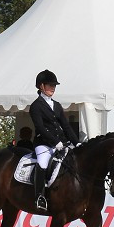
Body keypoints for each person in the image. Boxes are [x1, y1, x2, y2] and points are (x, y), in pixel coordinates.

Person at [29, 69, 77, 211]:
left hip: (61, 142)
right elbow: (41, 128)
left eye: (54, 85)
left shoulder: (56, 105)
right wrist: (54, 142)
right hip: (43, 143)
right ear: (41, 86)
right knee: (43, 163)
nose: (53, 88)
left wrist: (77, 142)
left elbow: (66, 126)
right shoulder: (35, 106)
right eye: (50, 85)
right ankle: (39, 197)